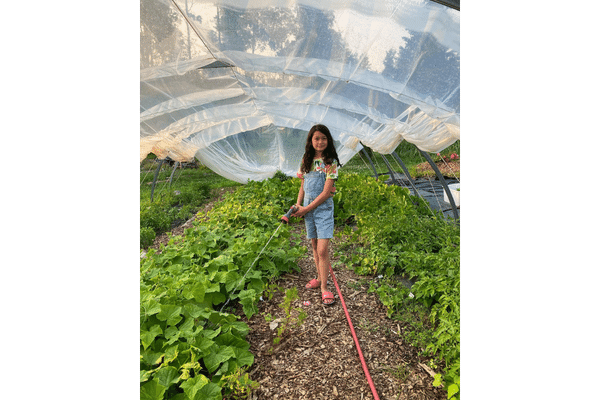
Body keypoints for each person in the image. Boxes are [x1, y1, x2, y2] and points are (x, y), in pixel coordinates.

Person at [291, 124, 341, 305]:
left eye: (323, 138)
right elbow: (303, 185)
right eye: (316, 138)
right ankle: (319, 278)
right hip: (307, 209)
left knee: (322, 249)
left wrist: (306, 209)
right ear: (311, 141)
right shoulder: (307, 159)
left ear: (328, 141)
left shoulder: (331, 162)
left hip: (323, 210)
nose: (320, 142)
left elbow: (327, 193)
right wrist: (298, 204)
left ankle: (325, 288)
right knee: (313, 245)